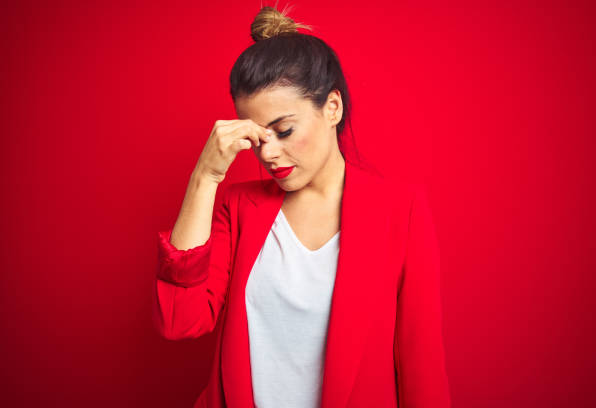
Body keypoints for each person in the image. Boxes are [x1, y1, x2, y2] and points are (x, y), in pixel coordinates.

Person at [152, 4, 451, 408]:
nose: (270, 154)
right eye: (258, 138)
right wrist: (205, 177)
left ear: (332, 107)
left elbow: (422, 369)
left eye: (284, 130)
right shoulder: (237, 209)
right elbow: (180, 321)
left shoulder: (401, 212)